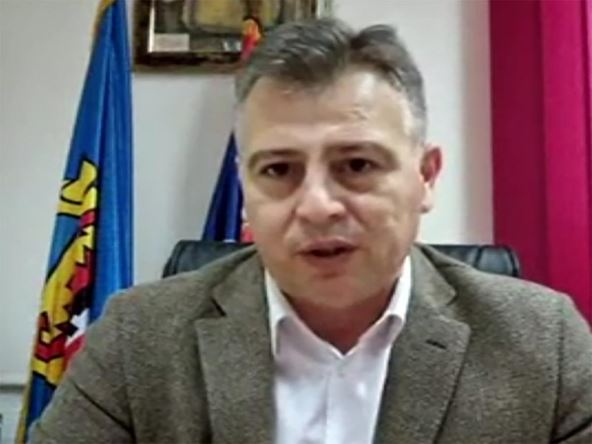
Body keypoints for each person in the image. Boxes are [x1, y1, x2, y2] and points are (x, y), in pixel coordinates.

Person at [30, 18, 591, 444]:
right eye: (279, 170)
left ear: (425, 177)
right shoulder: (138, 341)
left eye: (357, 165)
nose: (317, 206)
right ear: (245, 188)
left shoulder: (545, 343)